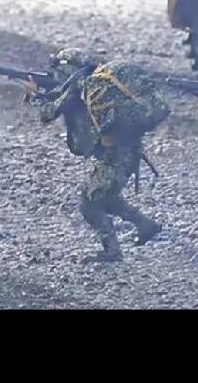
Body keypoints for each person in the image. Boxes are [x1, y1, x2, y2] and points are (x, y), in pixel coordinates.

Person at [35, 53, 168, 262]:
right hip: (125, 152)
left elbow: (48, 113)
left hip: (117, 155)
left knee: (88, 203)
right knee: (106, 196)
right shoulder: (94, 83)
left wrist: (35, 96)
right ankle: (146, 225)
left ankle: (112, 251)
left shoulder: (78, 87)